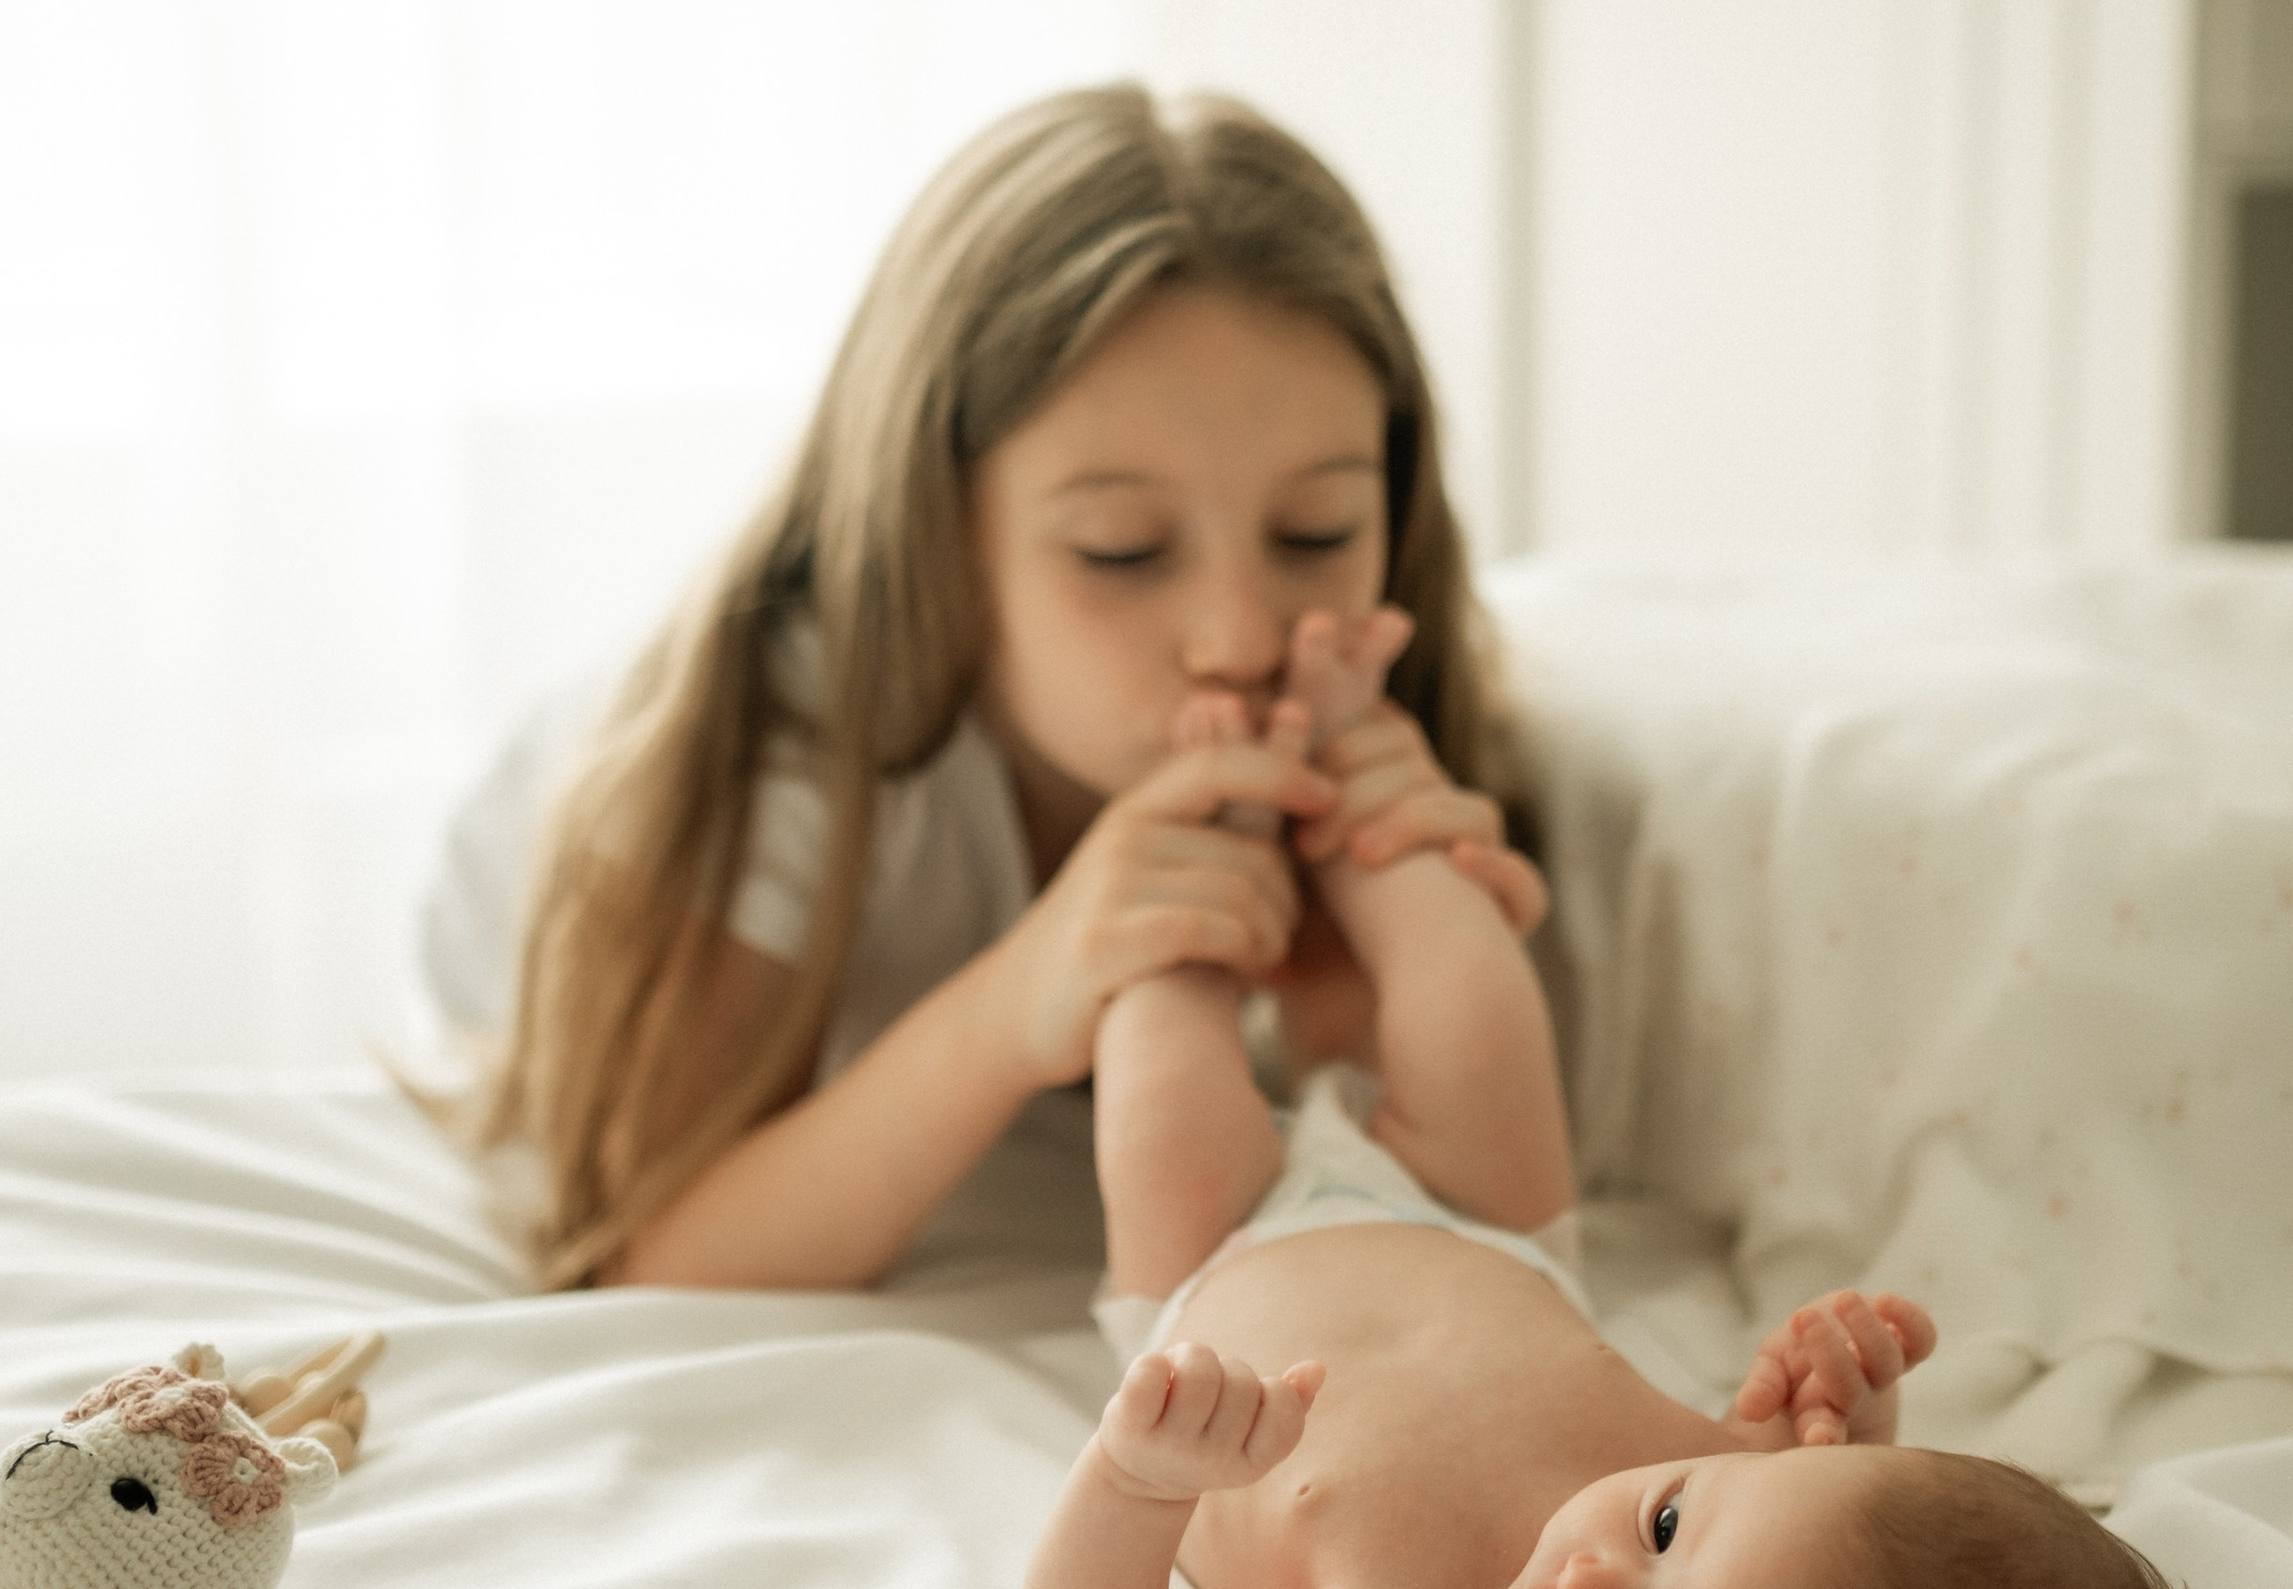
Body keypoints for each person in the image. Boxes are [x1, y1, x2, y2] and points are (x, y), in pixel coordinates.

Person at [1024, 613, 2238, 1589]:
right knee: (1475, 994)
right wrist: (1830, 1412)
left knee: (1159, 1050)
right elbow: (1799, 1492)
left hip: (1216, 1262)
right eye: (1667, 1524)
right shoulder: (1752, 1497)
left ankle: (1193, 833)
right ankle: (1350, 761)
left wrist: (1140, 1483)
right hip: (1484, 1225)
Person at [470, 86, 1547, 1291]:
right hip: (577, 862)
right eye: (1122, 550)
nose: (1241, 637)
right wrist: (1018, 1002)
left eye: (1314, 529)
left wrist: (1364, 981)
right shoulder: (786, 748)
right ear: (938, 534)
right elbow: (641, 1251)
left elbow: (1417, 1233)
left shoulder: (1374, 699)